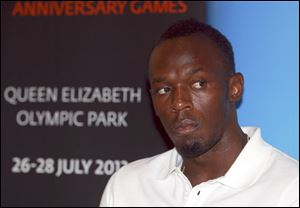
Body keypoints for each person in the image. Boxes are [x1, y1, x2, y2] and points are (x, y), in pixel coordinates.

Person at [100, 18, 299, 207]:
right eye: (164, 90)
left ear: (234, 88)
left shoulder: (290, 189)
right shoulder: (127, 187)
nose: (179, 102)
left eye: (198, 83)